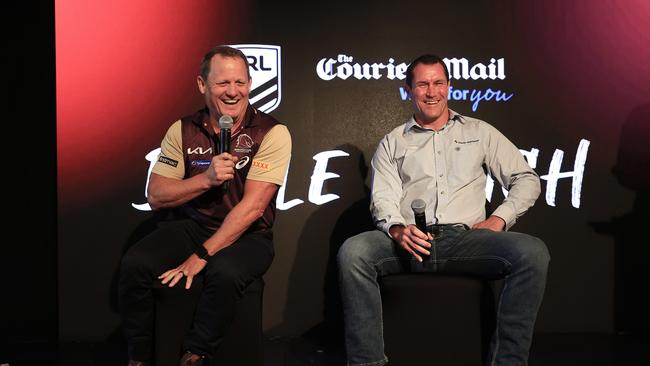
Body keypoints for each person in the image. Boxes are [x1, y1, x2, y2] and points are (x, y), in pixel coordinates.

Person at [337, 54, 549, 366]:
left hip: (465, 241)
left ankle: (508, 362)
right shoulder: (393, 142)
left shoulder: (479, 132)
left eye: (438, 83)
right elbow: (383, 197)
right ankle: (368, 363)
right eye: (422, 84)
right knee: (353, 252)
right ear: (409, 89)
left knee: (533, 253)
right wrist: (396, 229)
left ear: (449, 86)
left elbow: (526, 179)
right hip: (409, 243)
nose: (431, 91)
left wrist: (499, 219)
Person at [119, 45, 292, 366]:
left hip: (250, 234)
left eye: (240, 83)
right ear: (202, 85)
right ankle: (140, 356)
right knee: (135, 264)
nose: (233, 92)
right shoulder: (183, 129)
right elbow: (156, 196)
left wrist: (201, 255)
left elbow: (253, 208)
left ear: (250, 84)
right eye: (222, 83)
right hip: (193, 226)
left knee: (224, 272)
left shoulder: (272, 132)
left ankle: (195, 353)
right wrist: (206, 179)